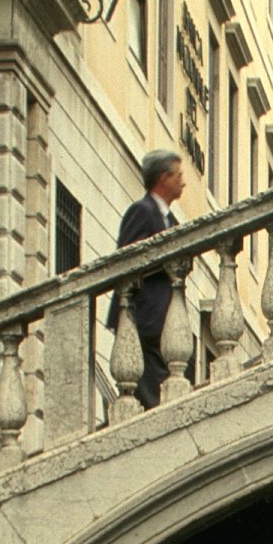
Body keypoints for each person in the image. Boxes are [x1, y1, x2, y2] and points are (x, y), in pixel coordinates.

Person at [106, 151, 188, 408]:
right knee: (148, 401)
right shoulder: (141, 211)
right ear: (163, 178)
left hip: (165, 324)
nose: (183, 182)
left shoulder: (171, 220)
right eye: (179, 175)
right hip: (144, 321)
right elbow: (127, 259)